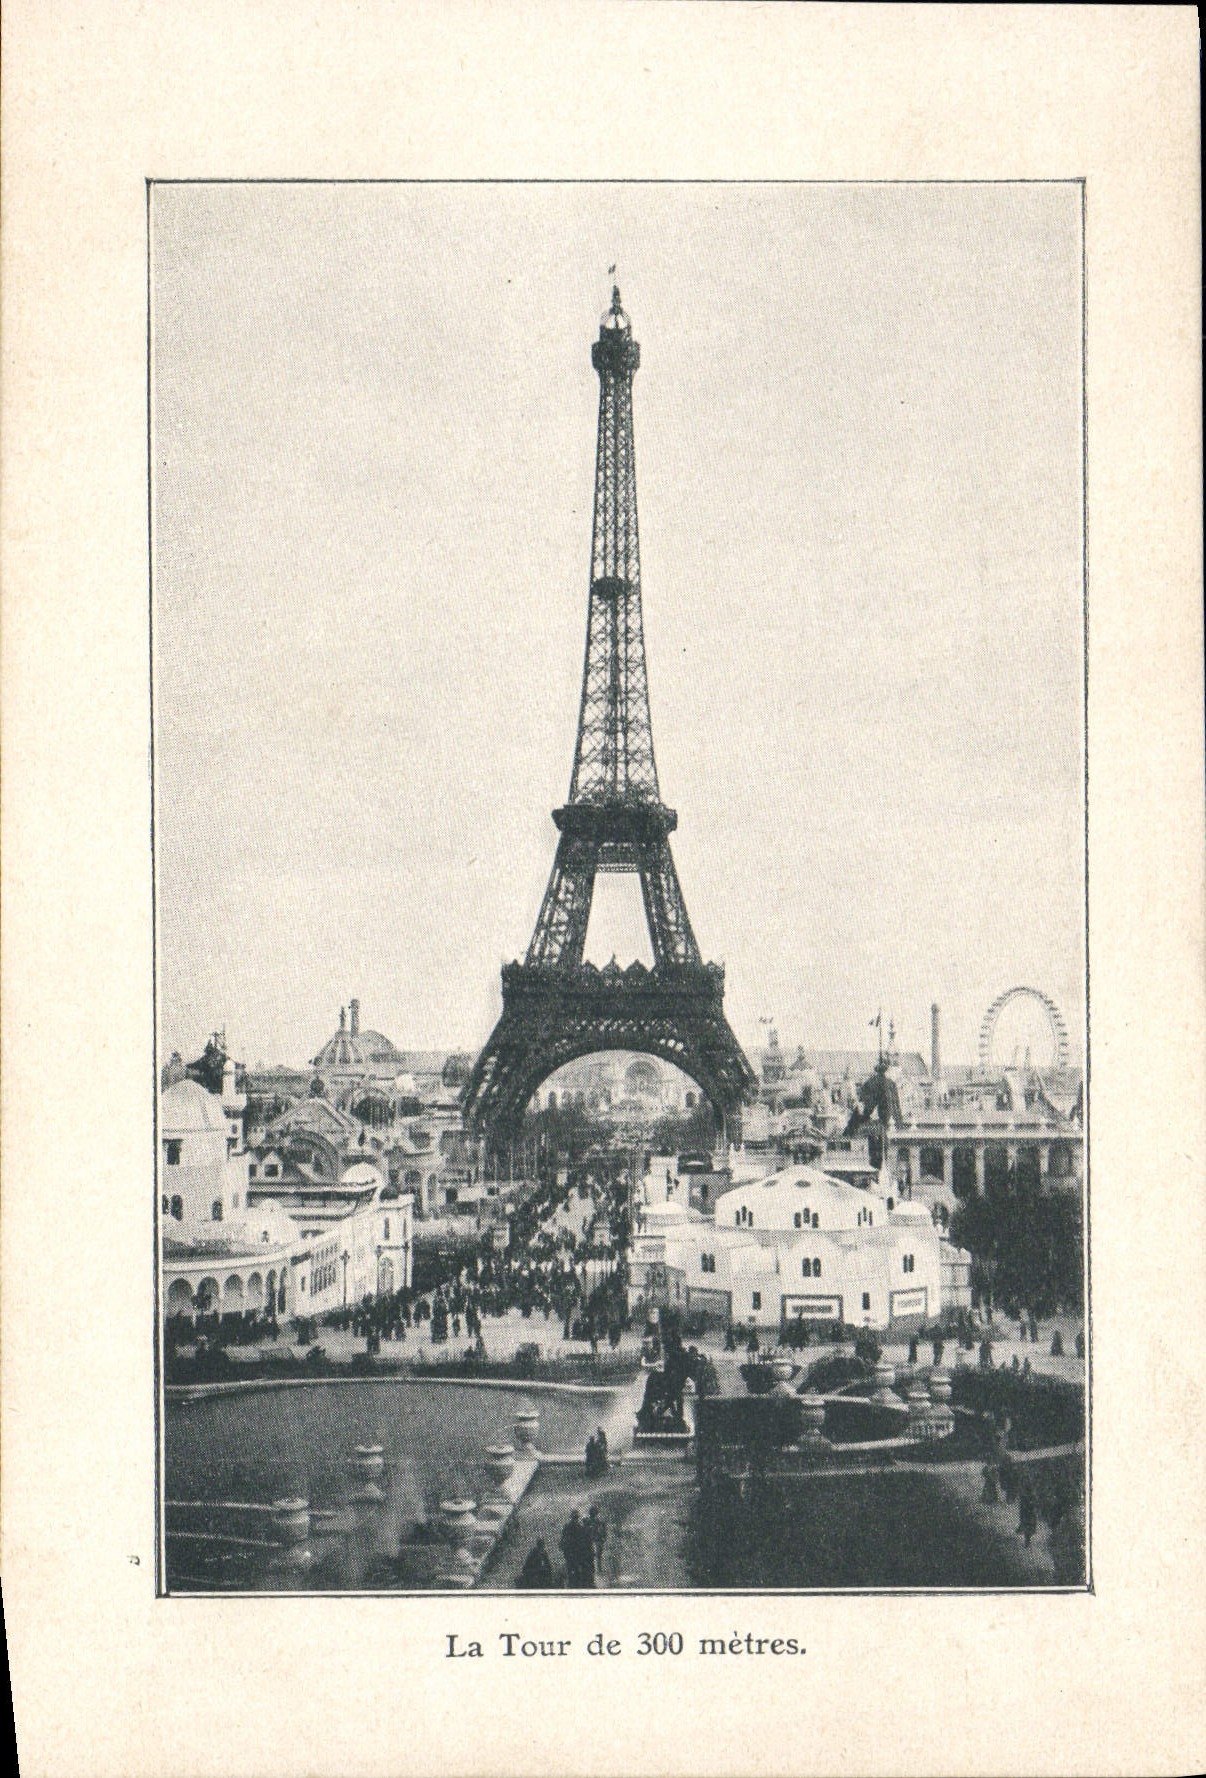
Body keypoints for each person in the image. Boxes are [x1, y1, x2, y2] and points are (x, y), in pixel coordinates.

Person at [560, 1509, 594, 1588]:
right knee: (576, 1569)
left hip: (571, 1553)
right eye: (575, 1518)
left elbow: (563, 1539)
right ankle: (575, 1584)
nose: (575, 1519)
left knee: (571, 1569)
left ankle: (572, 1584)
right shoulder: (580, 1528)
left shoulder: (567, 1527)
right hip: (576, 1553)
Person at [587, 1505, 607, 1581]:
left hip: (593, 1541)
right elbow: (603, 1533)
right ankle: (598, 1570)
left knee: (596, 1556)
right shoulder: (599, 1522)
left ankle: (597, 1570)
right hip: (596, 1541)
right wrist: (602, 1539)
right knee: (598, 1556)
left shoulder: (588, 1522)